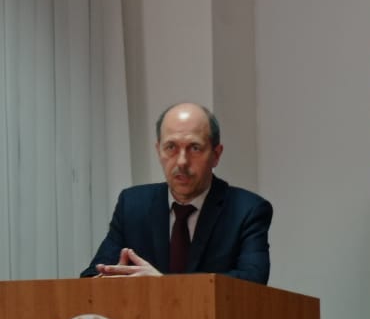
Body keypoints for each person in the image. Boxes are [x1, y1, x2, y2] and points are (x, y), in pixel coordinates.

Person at [81, 102, 272, 283]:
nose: (182, 162)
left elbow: (253, 280)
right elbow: (92, 276)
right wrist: (110, 280)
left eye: (195, 148)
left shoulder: (247, 210)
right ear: (159, 150)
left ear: (216, 154)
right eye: (171, 147)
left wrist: (163, 284)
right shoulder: (132, 205)